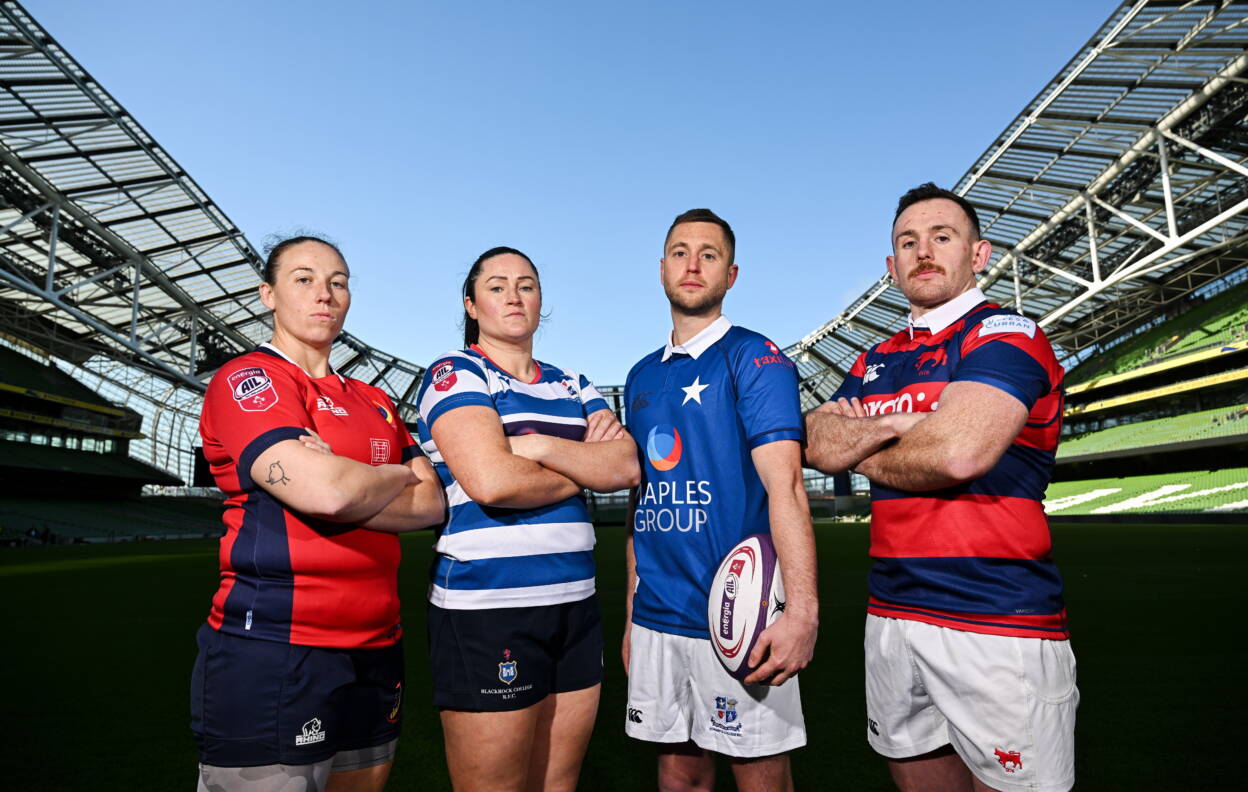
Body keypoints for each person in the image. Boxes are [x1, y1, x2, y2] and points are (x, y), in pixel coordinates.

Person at [804, 183, 1077, 792]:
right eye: (908, 242)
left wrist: (869, 435)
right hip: (892, 611)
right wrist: (909, 426)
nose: (923, 251)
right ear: (891, 265)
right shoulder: (872, 358)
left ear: (978, 255)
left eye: (941, 237)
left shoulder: (1009, 334)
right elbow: (815, 442)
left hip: (996, 620)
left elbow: (959, 453)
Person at [192, 235, 446, 792]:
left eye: (338, 281)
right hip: (277, 648)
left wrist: (353, 478)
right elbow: (326, 494)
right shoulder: (247, 380)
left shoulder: (375, 401)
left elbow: (432, 502)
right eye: (303, 279)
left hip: (378, 647)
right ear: (268, 295)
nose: (324, 294)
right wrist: (395, 474)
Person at [415, 246, 639, 792]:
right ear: (471, 304)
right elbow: (493, 482)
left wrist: (534, 444)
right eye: (496, 286)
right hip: (489, 610)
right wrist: (583, 466)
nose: (514, 295)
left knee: (558, 784)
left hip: (576, 608)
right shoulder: (455, 373)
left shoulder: (572, 383)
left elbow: (627, 464)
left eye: (526, 284)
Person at [622, 209, 818, 792]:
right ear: (661, 269)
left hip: (739, 612)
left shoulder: (756, 357)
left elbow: (786, 487)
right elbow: (640, 506)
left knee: (759, 775)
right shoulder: (640, 376)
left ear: (731, 274)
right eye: (680, 252)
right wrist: (634, 614)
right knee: (679, 772)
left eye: (708, 254)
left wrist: (802, 613)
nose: (692, 264)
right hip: (658, 614)